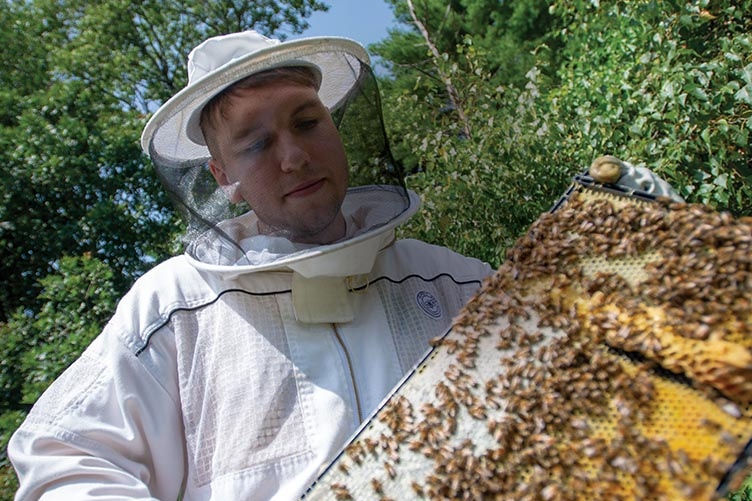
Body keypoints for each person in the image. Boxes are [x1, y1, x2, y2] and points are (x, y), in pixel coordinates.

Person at [8, 30, 493, 500]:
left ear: (334, 126)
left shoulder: (458, 283)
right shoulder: (174, 307)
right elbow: (65, 453)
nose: (295, 157)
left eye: (307, 122)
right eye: (256, 144)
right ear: (223, 176)